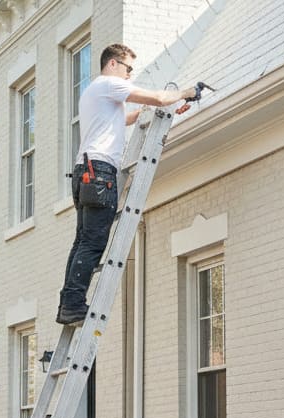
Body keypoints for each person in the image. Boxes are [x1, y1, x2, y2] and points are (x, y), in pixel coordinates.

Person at [57, 43, 200, 325]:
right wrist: (186, 92)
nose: (129, 76)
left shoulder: (94, 93)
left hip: (84, 170)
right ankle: (73, 304)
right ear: (112, 64)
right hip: (99, 171)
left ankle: (69, 303)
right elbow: (157, 97)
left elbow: (126, 118)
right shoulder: (109, 84)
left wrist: (171, 108)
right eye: (128, 69)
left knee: (82, 242)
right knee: (94, 243)